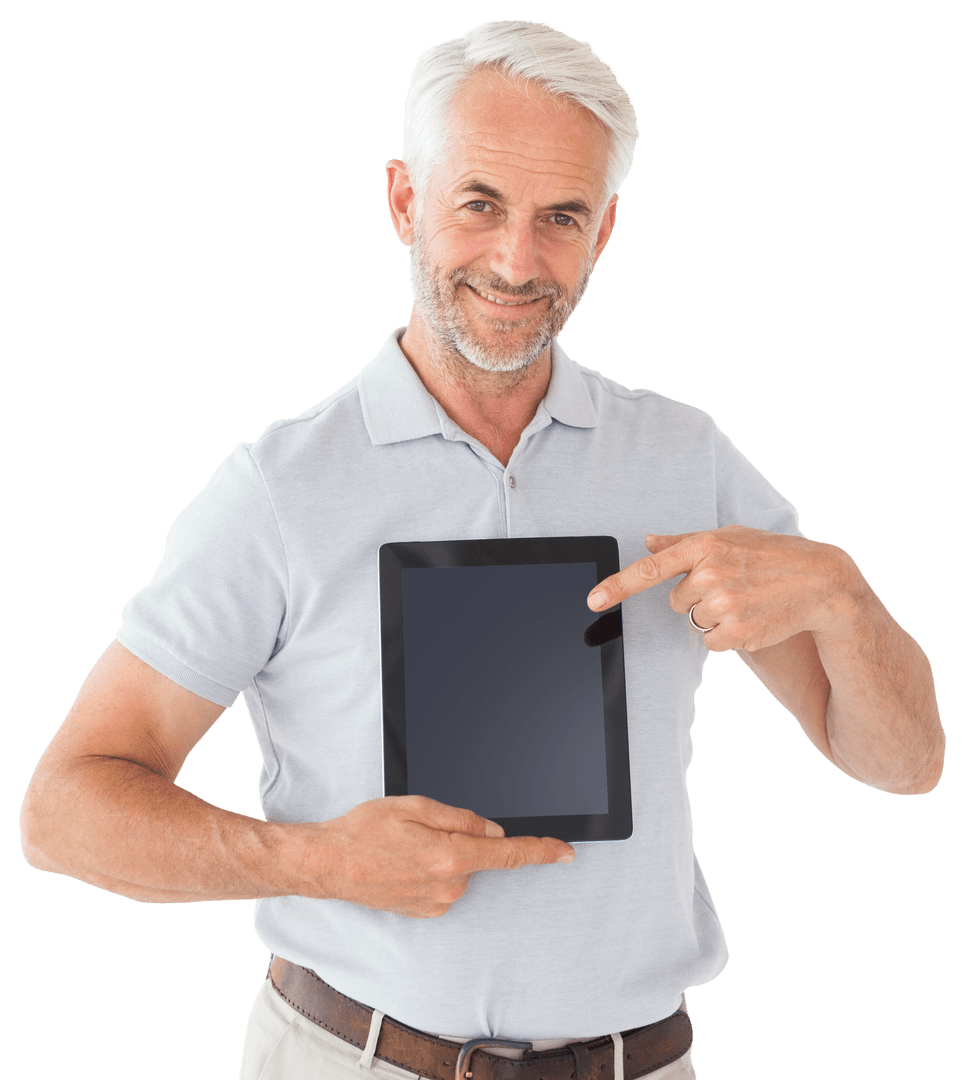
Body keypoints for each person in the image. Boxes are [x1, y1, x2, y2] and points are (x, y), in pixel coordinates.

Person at [20, 19, 943, 1080]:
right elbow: (63, 812)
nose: (515, 261)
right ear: (403, 201)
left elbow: (904, 764)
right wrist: (320, 861)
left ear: (603, 231)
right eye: (478, 204)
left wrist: (844, 597)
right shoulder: (280, 489)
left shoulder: (685, 458)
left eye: (561, 217)